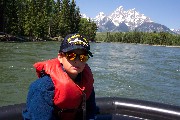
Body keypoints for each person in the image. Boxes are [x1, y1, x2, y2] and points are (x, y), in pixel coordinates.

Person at [22, 33, 97, 120]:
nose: (77, 61)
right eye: (71, 56)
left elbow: (90, 113)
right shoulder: (44, 87)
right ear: (60, 57)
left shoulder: (86, 82)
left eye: (82, 57)